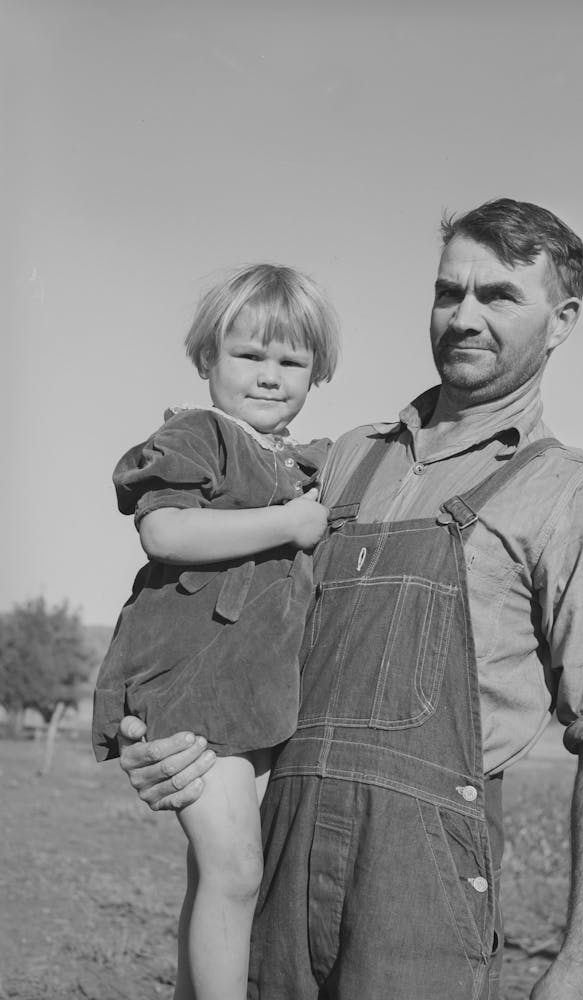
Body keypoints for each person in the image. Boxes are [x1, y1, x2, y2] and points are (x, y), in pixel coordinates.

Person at [116, 198, 583, 1000]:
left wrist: (578, 962)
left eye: (501, 296)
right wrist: (160, 732)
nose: (465, 316)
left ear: (562, 320)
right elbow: (207, 604)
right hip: (281, 860)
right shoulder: (335, 463)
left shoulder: (574, 497)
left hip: (423, 887)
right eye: (450, 292)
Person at [92, 263, 339, 1000]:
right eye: (249, 355)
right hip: (192, 684)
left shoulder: (298, 461)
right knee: (235, 873)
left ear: (315, 372)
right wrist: (290, 522)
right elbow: (164, 533)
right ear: (207, 359)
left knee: (216, 874)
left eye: (291, 361)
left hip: (249, 697)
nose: (270, 375)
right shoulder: (198, 435)